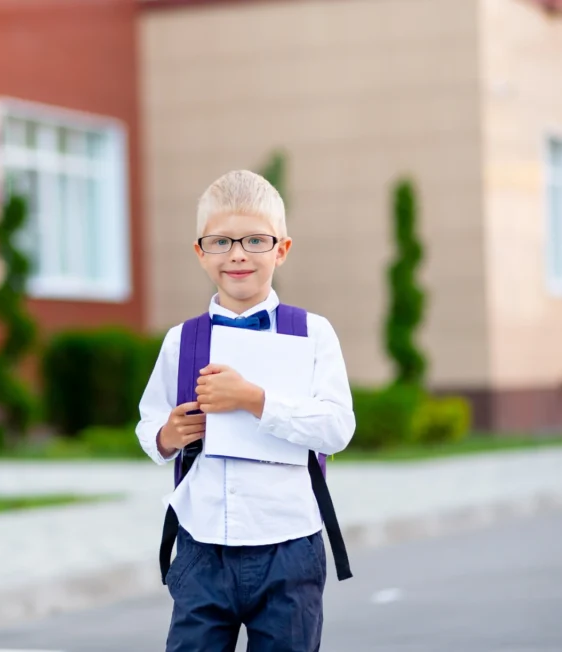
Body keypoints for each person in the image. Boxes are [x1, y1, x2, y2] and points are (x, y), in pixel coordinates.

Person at [136, 170, 356, 651]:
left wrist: (253, 400)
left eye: (256, 240)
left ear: (282, 249)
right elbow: (149, 421)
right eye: (221, 241)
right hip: (201, 547)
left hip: (288, 546)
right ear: (201, 252)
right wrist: (167, 435)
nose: (237, 253)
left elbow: (337, 428)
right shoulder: (181, 340)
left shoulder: (312, 333)